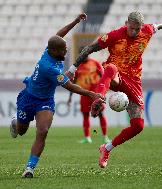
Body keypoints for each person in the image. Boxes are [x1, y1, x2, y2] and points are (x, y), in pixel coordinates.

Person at [66, 11, 162, 168]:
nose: (134, 32)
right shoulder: (115, 35)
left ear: (141, 27)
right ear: (126, 23)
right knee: (110, 68)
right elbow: (89, 49)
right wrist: (72, 69)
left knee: (138, 126)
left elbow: (157, 26)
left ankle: (107, 148)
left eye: (137, 29)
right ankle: (99, 98)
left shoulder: (147, 31)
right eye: (131, 28)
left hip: (134, 80)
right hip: (115, 74)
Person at [9, 13, 104, 178]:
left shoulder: (50, 50)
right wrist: (91, 94)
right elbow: (68, 86)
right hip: (28, 98)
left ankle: (29, 168)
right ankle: (16, 123)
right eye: (63, 50)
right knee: (22, 130)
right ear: (54, 51)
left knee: (43, 130)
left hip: (45, 101)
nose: (66, 51)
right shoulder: (49, 67)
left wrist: (75, 22)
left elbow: (59, 35)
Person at [67, 57, 110, 144]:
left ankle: (105, 137)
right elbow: (73, 83)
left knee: (101, 114)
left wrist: (103, 91)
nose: (84, 56)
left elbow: (103, 77)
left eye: (85, 54)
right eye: (82, 55)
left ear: (88, 54)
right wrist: (70, 97)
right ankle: (87, 137)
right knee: (85, 115)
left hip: (96, 94)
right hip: (85, 94)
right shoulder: (78, 66)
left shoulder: (95, 63)